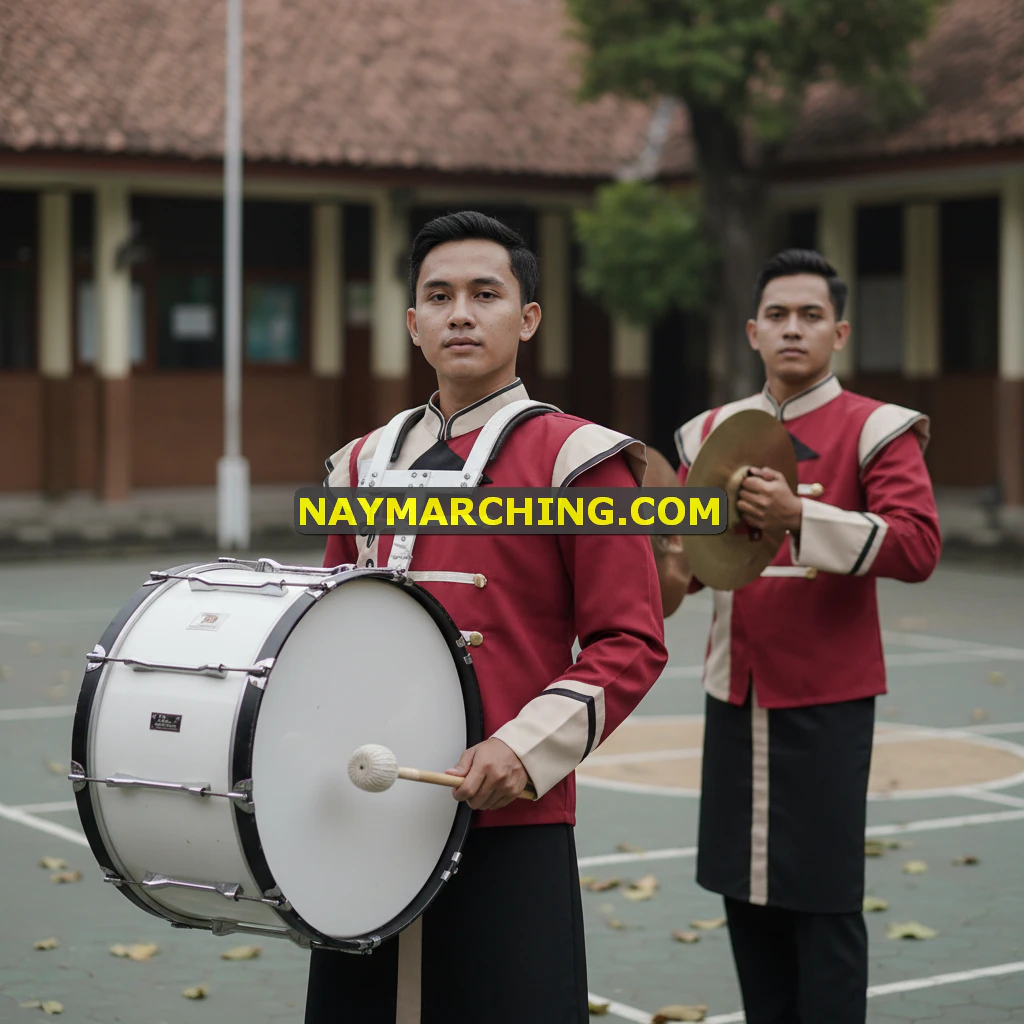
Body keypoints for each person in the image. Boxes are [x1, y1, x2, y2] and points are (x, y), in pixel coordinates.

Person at [306, 211, 668, 1024]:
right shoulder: (360, 463)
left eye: (484, 293)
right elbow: (320, 632)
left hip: (509, 817)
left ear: (527, 318)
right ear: (413, 323)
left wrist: (520, 748)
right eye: (438, 296)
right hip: (366, 811)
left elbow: (631, 642)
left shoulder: (581, 462)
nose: (460, 313)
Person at [674, 249, 942, 1024]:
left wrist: (800, 517)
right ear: (753, 332)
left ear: (840, 332)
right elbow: (687, 570)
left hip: (829, 697)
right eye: (780, 317)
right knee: (741, 891)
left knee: (822, 905)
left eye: (812, 316)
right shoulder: (706, 435)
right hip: (734, 690)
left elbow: (919, 547)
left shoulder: (877, 428)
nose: (795, 329)